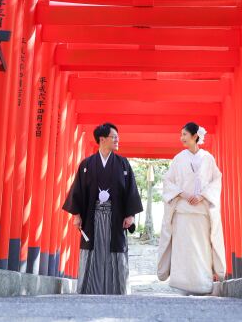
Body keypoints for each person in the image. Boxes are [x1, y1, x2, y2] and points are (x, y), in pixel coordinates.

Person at [63, 122, 143, 294]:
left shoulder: (123, 164)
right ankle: (90, 289)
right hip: (93, 217)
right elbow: (78, 190)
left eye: (117, 137)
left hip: (116, 217)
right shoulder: (87, 164)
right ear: (102, 139)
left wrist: (130, 215)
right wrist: (77, 215)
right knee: (93, 251)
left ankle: (117, 289)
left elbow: (131, 190)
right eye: (114, 137)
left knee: (115, 250)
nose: (117, 140)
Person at [157, 122, 226, 295]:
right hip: (183, 211)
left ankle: (203, 282)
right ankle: (182, 282)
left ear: (195, 136)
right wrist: (183, 193)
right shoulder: (179, 158)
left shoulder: (208, 158)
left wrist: (203, 195)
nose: (182, 138)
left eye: (184, 134)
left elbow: (216, 180)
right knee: (183, 247)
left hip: (201, 211)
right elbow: (168, 181)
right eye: (181, 135)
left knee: (202, 247)